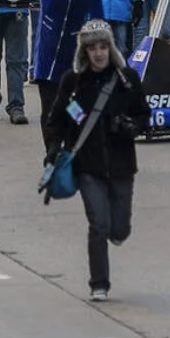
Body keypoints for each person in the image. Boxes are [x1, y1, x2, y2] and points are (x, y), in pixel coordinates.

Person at [46, 19, 150, 303]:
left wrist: (130, 126)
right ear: (85, 52)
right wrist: (54, 148)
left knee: (120, 229)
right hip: (87, 167)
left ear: (111, 48)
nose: (99, 53)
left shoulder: (127, 79)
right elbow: (56, 120)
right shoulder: (73, 83)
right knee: (99, 224)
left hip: (121, 165)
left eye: (103, 46)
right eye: (93, 48)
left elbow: (144, 115)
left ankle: (117, 235)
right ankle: (99, 283)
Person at [28, 0, 102, 150]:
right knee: (49, 109)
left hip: (73, 61)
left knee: (73, 107)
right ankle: (53, 151)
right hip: (46, 59)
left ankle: (79, 143)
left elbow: (99, 24)